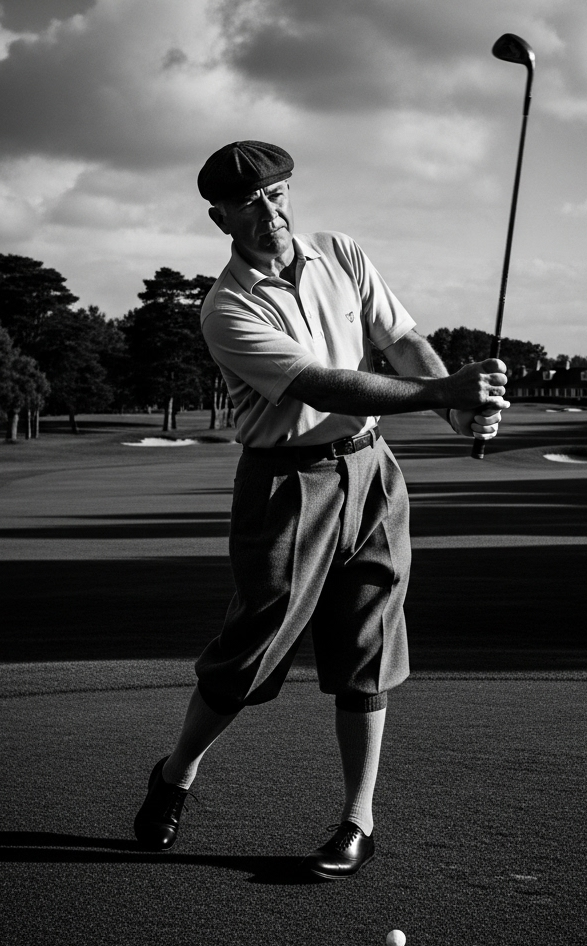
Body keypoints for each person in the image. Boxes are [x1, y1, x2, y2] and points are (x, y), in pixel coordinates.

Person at [134, 140, 508, 879]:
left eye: (279, 195)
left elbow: (399, 339)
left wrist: (459, 416)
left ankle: (356, 822)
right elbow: (323, 384)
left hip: (372, 471)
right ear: (220, 217)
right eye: (251, 203)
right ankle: (176, 773)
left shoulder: (339, 252)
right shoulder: (226, 308)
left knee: (368, 648)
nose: (271, 212)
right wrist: (444, 394)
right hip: (285, 485)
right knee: (251, 653)